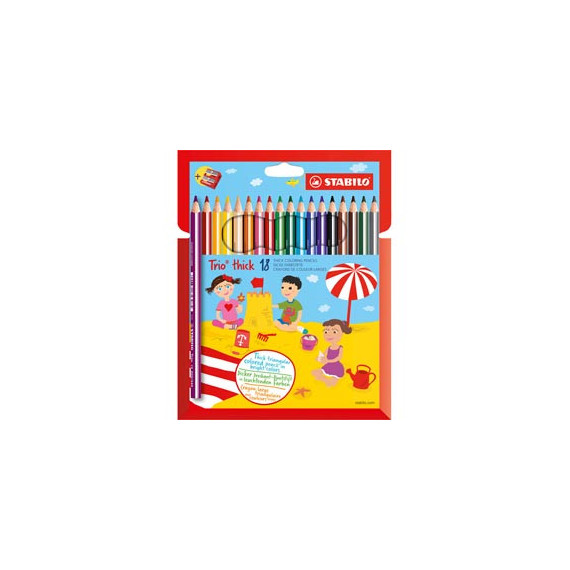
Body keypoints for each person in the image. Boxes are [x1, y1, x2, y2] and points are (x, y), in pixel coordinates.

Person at [312, 319, 352, 386]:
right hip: (327, 366)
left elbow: (338, 358)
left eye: (334, 332)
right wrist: (319, 358)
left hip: (336, 368)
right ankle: (325, 380)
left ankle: (327, 380)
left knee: (333, 381)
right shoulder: (328, 348)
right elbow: (324, 355)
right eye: (326, 331)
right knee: (314, 372)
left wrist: (328, 361)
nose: (329, 334)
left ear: (342, 333)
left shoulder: (340, 348)